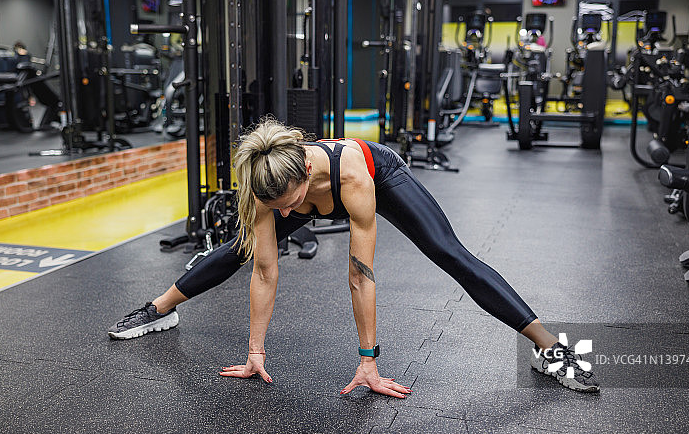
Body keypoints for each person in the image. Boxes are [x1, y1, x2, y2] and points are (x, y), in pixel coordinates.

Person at [108, 119, 599, 395]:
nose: (286, 215)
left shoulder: (353, 178)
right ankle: (159, 309)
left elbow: (361, 277)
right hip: (315, 187)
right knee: (242, 249)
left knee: (449, 253)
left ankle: (547, 347)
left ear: (305, 173)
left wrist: (369, 361)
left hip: (381, 174)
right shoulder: (267, 185)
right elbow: (265, 271)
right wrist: (255, 352)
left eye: (290, 204)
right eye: (277, 208)